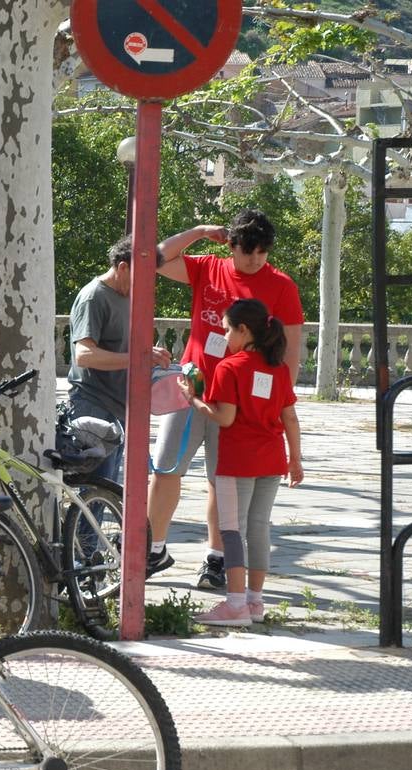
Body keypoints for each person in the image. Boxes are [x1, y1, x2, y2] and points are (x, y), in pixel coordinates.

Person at [147, 209, 303, 589]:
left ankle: (216, 558)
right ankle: (153, 548)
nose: (255, 259)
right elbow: (155, 258)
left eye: (262, 251)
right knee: (166, 466)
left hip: (240, 400)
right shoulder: (208, 268)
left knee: (224, 478)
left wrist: (279, 405)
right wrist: (199, 230)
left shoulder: (282, 286)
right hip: (193, 385)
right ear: (230, 244)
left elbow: (291, 350)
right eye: (248, 250)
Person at [179, 299, 304, 625]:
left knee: (232, 530)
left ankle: (234, 605)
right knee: (260, 528)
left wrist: (193, 398)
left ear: (243, 330)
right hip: (272, 458)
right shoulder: (278, 369)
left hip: (237, 461)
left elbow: (224, 417)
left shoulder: (229, 367)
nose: (224, 334)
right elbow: (290, 417)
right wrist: (296, 460)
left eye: (227, 329)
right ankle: (255, 603)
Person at [65, 235, 171, 482]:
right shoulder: (94, 297)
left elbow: (126, 350)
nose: (147, 284)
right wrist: (137, 358)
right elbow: (84, 355)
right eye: (142, 276)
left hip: (120, 409)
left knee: (107, 493)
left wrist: (150, 356)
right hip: (92, 405)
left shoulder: (127, 296)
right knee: (93, 492)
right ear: (123, 267)